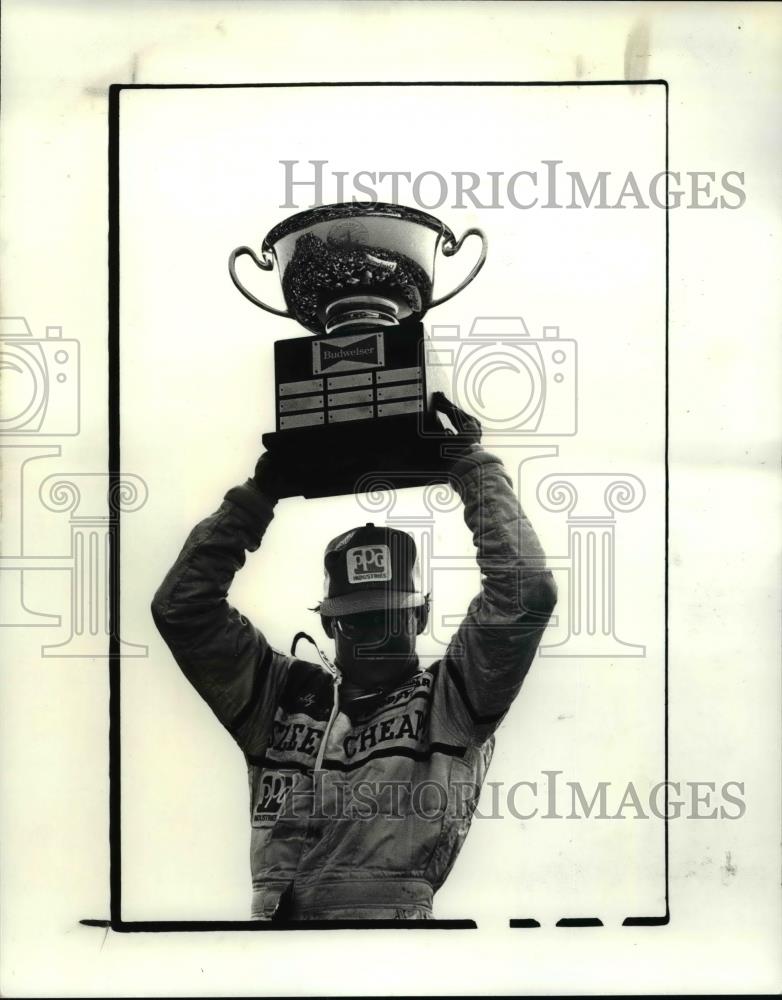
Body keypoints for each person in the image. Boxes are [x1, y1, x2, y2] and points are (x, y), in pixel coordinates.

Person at [151, 402, 557, 921]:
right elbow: (179, 609)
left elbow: (527, 594)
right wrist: (257, 497)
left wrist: (473, 469)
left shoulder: (453, 700)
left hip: (389, 937)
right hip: (269, 944)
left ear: (422, 616)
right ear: (327, 623)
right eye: (358, 621)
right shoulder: (279, 696)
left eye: (390, 618)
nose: (376, 636)